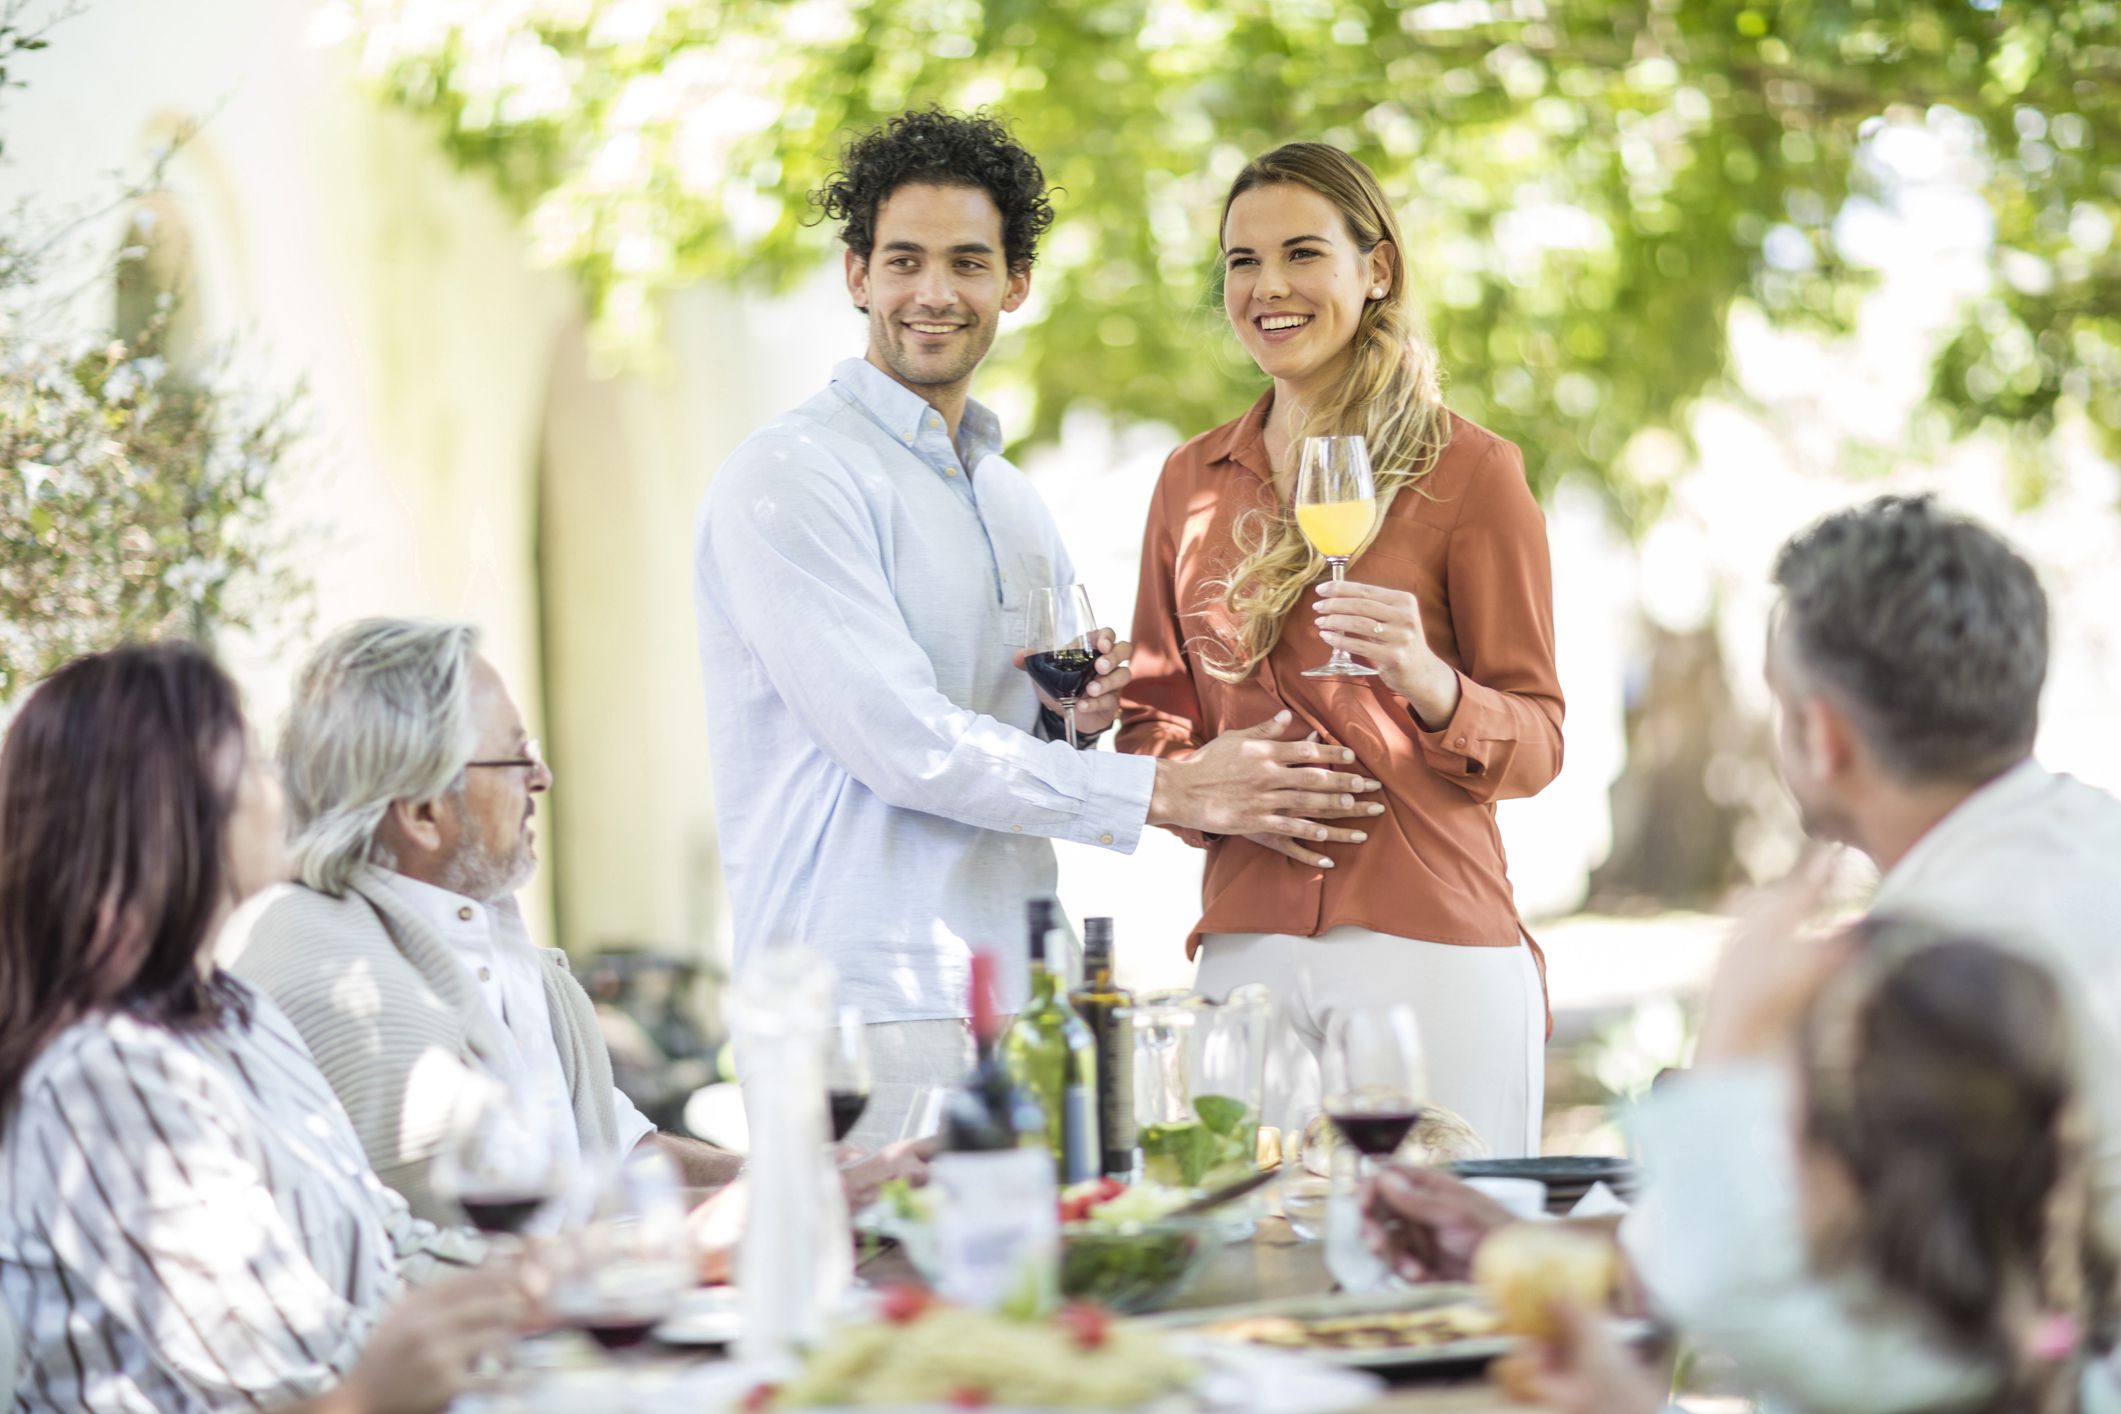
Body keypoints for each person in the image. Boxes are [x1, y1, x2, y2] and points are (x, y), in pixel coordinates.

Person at [692, 110, 1383, 1145]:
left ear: (1013, 284)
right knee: (892, 1304)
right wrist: (1171, 787)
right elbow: (906, 742)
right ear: (856, 276)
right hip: (862, 1006)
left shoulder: (1012, 497)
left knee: (1057, 1298)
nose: (935, 292)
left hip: (1030, 992)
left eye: (969, 262)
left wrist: (1077, 714)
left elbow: (1017, 731)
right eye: (904, 260)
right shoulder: (792, 478)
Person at [1362, 495, 2121, 1398]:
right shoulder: (2081, 844)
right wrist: (1528, 1249)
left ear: (1821, 734)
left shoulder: (1941, 972)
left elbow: (1845, 1338)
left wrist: (1732, 1037)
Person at [1119, 141, 1561, 1156]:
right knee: (1268, 1277)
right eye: (1240, 261)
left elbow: (1539, 739)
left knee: (1449, 1281)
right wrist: (1201, 779)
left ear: (1378, 270)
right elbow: (1151, 722)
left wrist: (1436, 686)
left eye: (1302, 253)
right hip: (1245, 958)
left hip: (1429, 948)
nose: (1267, 286)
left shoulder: (1473, 471)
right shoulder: (1190, 482)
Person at [0, 642, 523, 1413]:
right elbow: (295, 1383)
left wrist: (576, 1277)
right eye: (249, 767)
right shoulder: (105, 1073)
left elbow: (390, 1249)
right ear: (167, 809)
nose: (278, 791)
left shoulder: (239, 1013)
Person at [223, 618, 752, 1223]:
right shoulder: (342, 976)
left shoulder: (491, 938)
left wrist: (773, 1178)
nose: (541, 778)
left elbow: (618, 1152)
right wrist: (770, 1208)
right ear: (424, 813)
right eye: (516, 755)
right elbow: (512, 1229)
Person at [1524, 923, 2121, 1414]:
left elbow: (1716, 1274)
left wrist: (1734, 1029)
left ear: (1841, 1175)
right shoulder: (2041, 1335)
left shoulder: (1881, 1367)